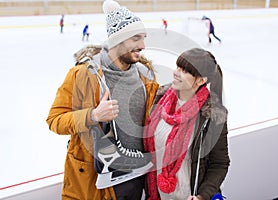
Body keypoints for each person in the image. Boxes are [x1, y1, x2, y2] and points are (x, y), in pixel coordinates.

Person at [46, 0, 159, 199]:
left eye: (143, 38)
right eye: (135, 38)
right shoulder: (83, 75)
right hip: (97, 182)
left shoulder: (146, 78)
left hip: (137, 178)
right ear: (118, 40)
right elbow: (55, 120)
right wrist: (93, 115)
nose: (142, 45)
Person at [144, 48, 230, 200]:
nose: (176, 72)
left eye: (184, 71)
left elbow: (220, 164)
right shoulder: (161, 98)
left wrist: (202, 196)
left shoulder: (213, 116)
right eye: (178, 67)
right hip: (156, 193)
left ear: (201, 80)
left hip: (186, 194)